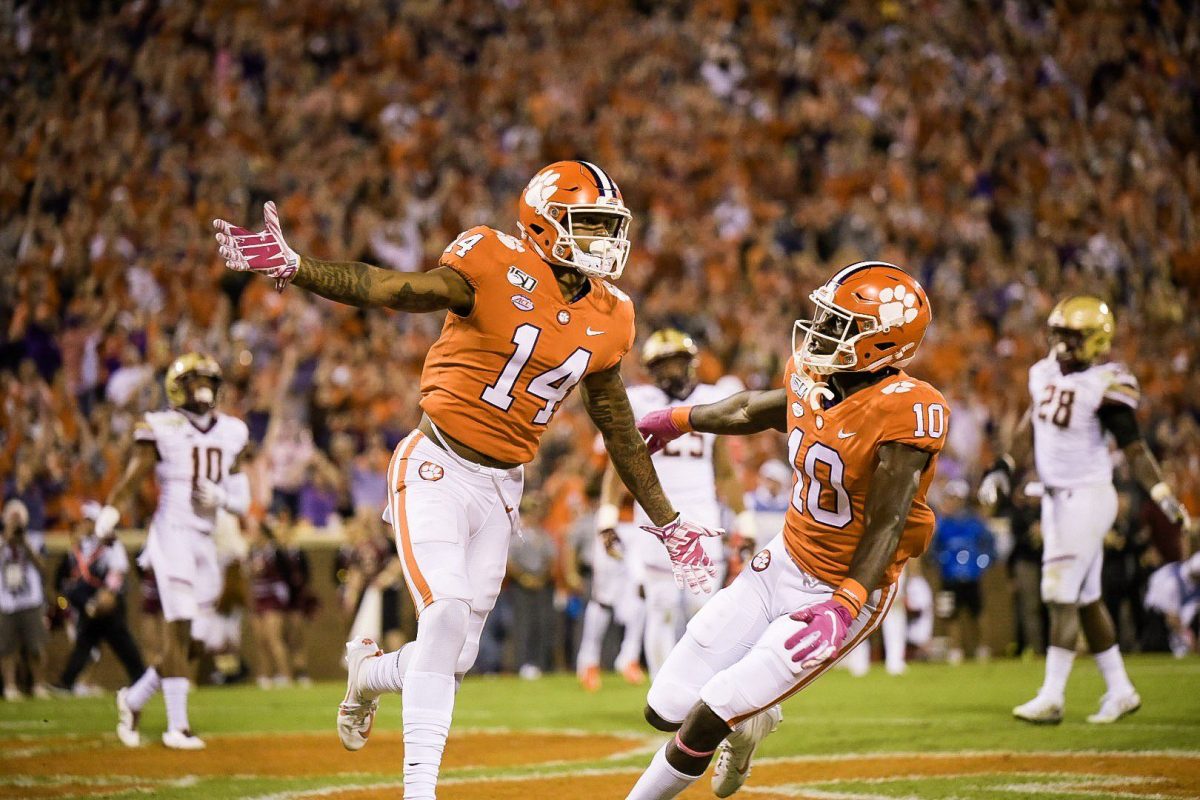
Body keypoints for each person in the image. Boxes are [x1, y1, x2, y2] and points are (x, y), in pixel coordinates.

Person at [213, 161, 721, 800]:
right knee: (446, 614)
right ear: (544, 222)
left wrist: (667, 521)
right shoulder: (491, 257)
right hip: (436, 465)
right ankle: (419, 792)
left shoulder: (612, 313)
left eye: (607, 226)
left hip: (503, 486)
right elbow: (395, 289)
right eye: (587, 224)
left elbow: (619, 426)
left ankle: (368, 675)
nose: (603, 240)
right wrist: (299, 266)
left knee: (453, 654)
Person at [626, 262, 948, 799]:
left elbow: (887, 523)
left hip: (843, 588)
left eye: (841, 323)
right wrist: (681, 419)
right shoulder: (815, 375)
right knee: (666, 708)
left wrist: (845, 604)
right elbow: (757, 408)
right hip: (783, 560)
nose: (821, 328)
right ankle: (753, 718)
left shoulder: (905, 411)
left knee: (712, 712)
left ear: (882, 342)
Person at [980, 296, 1193, 725]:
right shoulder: (1042, 373)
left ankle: (1052, 695)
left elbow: (1134, 450)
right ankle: (1120, 690)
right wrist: (1003, 468)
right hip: (1058, 499)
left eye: (1071, 337)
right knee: (1086, 598)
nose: (1061, 345)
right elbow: (1028, 428)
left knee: (1058, 593)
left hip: (1088, 497)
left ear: (1096, 341)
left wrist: (1162, 495)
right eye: (1058, 335)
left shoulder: (1106, 383)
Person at [94, 353, 252, 750]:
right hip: (171, 534)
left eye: (208, 380)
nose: (202, 387)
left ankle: (134, 699)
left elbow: (242, 496)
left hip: (205, 538)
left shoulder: (232, 431)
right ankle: (177, 727)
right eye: (195, 379)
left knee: (194, 642)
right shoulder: (163, 426)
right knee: (179, 623)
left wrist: (222, 496)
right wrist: (112, 509)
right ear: (177, 387)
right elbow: (134, 476)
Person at [598, 329, 754, 678]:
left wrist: (745, 522)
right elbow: (619, 463)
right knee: (662, 608)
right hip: (655, 520)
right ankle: (662, 692)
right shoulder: (639, 401)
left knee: (704, 609)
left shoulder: (712, 399)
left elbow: (725, 471)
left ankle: (699, 690)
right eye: (663, 363)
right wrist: (607, 517)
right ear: (652, 369)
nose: (671, 370)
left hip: (702, 519)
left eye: (677, 361)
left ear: (691, 363)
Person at [55, 509, 145, 693]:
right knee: (86, 642)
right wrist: (89, 603)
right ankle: (66, 681)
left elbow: (118, 569)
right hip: (92, 602)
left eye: (88, 520)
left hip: (109, 602)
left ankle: (142, 678)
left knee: (120, 641)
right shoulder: (84, 544)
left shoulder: (109, 541)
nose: (84, 524)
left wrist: (108, 594)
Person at [930, 480, 996, 664]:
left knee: (978, 612)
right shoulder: (941, 524)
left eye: (955, 498)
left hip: (972, 575)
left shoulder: (975, 523)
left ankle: (983, 648)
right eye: (950, 497)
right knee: (951, 614)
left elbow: (989, 546)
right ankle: (955, 650)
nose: (952, 502)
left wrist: (981, 564)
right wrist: (941, 562)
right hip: (949, 576)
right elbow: (932, 548)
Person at [0, 499, 50, 700]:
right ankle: (10, 687)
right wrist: (6, 539)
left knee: (36, 646)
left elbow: (44, 569)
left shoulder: (35, 540)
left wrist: (26, 546)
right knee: (6, 649)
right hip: (5, 602)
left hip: (31, 600)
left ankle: (39, 685)